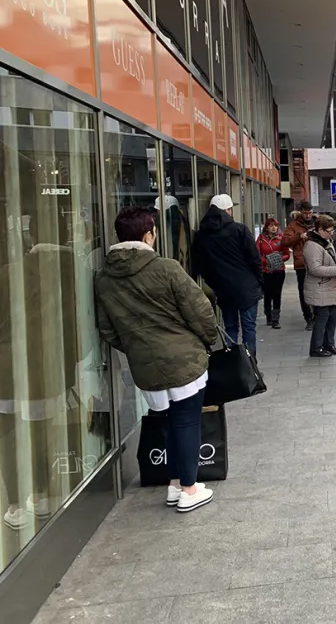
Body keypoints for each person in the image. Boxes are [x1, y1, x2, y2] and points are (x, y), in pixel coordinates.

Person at [94, 206, 219, 513]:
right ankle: (189, 489)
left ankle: (176, 484)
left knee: (170, 424)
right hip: (183, 359)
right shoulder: (167, 267)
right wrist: (206, 339)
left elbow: (108, 330)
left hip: (145, 365)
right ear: (148, 234)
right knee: (187, 422)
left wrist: (138, 347)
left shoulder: (104, 279)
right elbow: (199, 309)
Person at [192, 194, 263, 355]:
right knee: (249, 328)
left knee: (230, 328)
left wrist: (215, 284)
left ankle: (232, 363)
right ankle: (250, 366)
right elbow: (254, 258)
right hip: (247, 287)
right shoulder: (239, 229)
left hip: (223, 289)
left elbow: (201, 266)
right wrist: (259, 282)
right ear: (228, 210)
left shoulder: (202, 234)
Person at [303, 215, 336, 358]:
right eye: (329, 231)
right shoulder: (312, 245)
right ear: (320, 229)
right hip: (319, 287)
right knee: (322, 317)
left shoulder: (324, 241)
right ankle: (316, 348)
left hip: (328, 286)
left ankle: (329, 344)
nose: (331, 233)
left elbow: (329, 258)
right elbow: (315, 268)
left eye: (332, 230)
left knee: (334, 314)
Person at [282, 200, 316, 330]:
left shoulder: (317, 222)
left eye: (310, 213)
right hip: (302, 263)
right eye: (305, 213)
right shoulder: (293, 225)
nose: (308, 216)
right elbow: (285, 241)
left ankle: (317, 316)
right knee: (304, 291)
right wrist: (299, 237)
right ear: (301, 212)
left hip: (317, 261)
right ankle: (308, 318)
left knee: (317, 289)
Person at [256, 218, 290, 329]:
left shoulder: (281, 238)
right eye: (271, 226)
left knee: (277, 294)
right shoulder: (261, 239)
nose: (274, 228)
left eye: (275, 225)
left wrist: (278, 259)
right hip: (266, 271)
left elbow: (287, 254)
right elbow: (257, 255)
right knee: (267, 294)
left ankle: (276, 319)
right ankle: (268, 315)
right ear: (266, 227)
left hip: (279, 270)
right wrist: (267, 261)